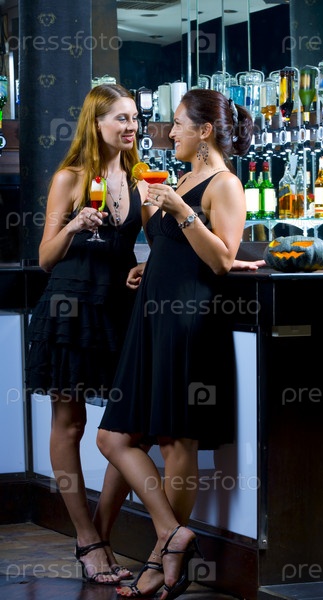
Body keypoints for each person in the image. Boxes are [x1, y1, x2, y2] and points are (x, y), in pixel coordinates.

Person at [96, 88, 255, 600]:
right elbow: (178, 247)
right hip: (153, 317)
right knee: (114, 437)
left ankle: (160, 561)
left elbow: (222, 260)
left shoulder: (225, 184)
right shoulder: (180, 179)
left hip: (190, 319)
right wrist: (149, 264)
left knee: (175, 441)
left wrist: (181, 211)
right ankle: (172, 534)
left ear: (205, 131)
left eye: (180, 123)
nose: (171, 132)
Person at [25, 83, 150, 585]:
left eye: (134, 117)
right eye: (121, 118)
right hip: (70, 307)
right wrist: (75, 224)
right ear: (96, 124)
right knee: (70, 424)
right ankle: (86, 538)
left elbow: (160, 241)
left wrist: (146, 265)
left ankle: (99, 535)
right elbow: (45, 257)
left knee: (129, 428)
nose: (131, 126)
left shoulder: (142, 180)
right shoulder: (70, 177)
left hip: (119, 310)